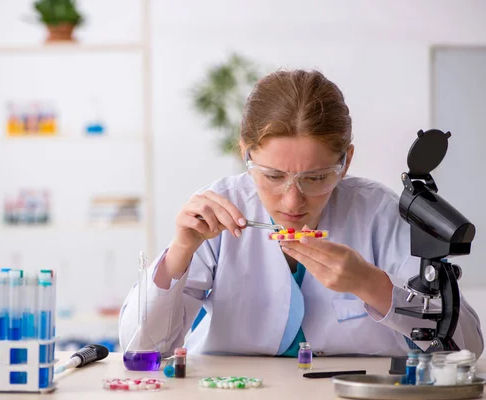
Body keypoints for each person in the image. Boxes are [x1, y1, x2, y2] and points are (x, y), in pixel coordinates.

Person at [118, 69, 483, 358]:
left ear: (346, 161)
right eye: (273, 176)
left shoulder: (380, 213)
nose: (292, 202)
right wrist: (180, 251)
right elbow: (143, 349)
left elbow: (467, 346)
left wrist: (370, 284)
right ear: (246, 154)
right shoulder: (218, 208)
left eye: (317, 177)